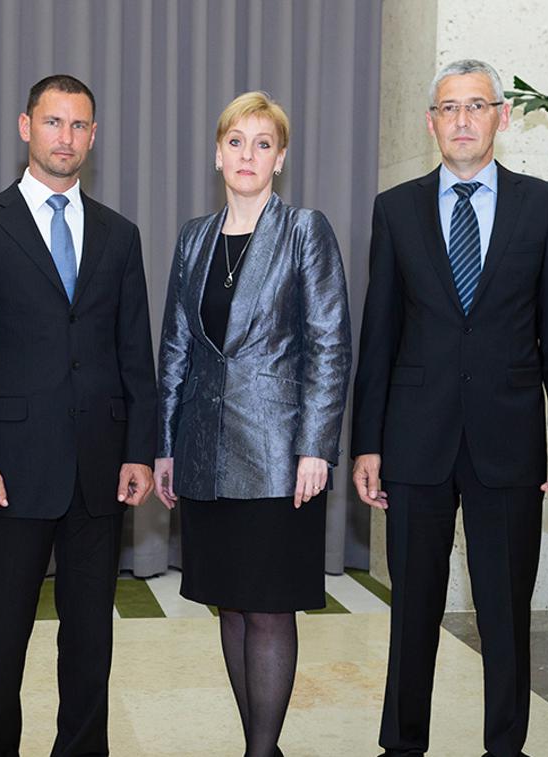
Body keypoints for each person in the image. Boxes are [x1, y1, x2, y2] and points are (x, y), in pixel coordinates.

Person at [350, 59, 548, 757]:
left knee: (505, 612)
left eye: (475, 106)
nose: (461, 120)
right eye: (448, 108)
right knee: (413, 612)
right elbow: (380, 335)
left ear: (501, 117)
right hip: (415, 441)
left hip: (509, 439)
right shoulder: (395, 209)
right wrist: (368, 442)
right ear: (431, 123)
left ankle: (505, 746)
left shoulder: (541, 207)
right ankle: (401, 744)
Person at [0, 74, 157, 757]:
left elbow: (134, 355)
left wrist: (140, 451)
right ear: (25, 127)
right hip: (9, 470)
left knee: (91, 634)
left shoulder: (121, 236)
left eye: (80, 125)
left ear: (94, 136)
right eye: (54, 122)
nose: (67, 137)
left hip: (100, 469)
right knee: (1, 634)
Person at [153, 91, 352, 757]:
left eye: (262, 143)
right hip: (205, 453)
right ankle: (255, 744)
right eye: (237, 141)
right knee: (229, 604)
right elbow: (177, 347)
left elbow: (329, 344)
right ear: (217, 153)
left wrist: (317, 448)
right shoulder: (194, 237)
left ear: (281, 157)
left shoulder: (305, 230)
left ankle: (263, 752)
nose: (248, 154)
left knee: (268, 607)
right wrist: (165, 447)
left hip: (278, 456)